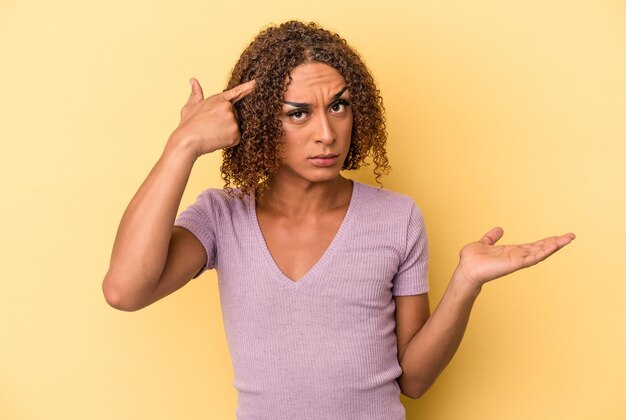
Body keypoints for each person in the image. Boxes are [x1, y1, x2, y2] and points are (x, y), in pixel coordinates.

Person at [102, 21, 575, 420]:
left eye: (338, 106)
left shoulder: (398, 218)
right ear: (261, 120)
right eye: (298, 114)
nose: (326, 134)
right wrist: (182, 145)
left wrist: (466, 282)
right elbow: (125, 290)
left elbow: (414, 380)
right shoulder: (223, 216)